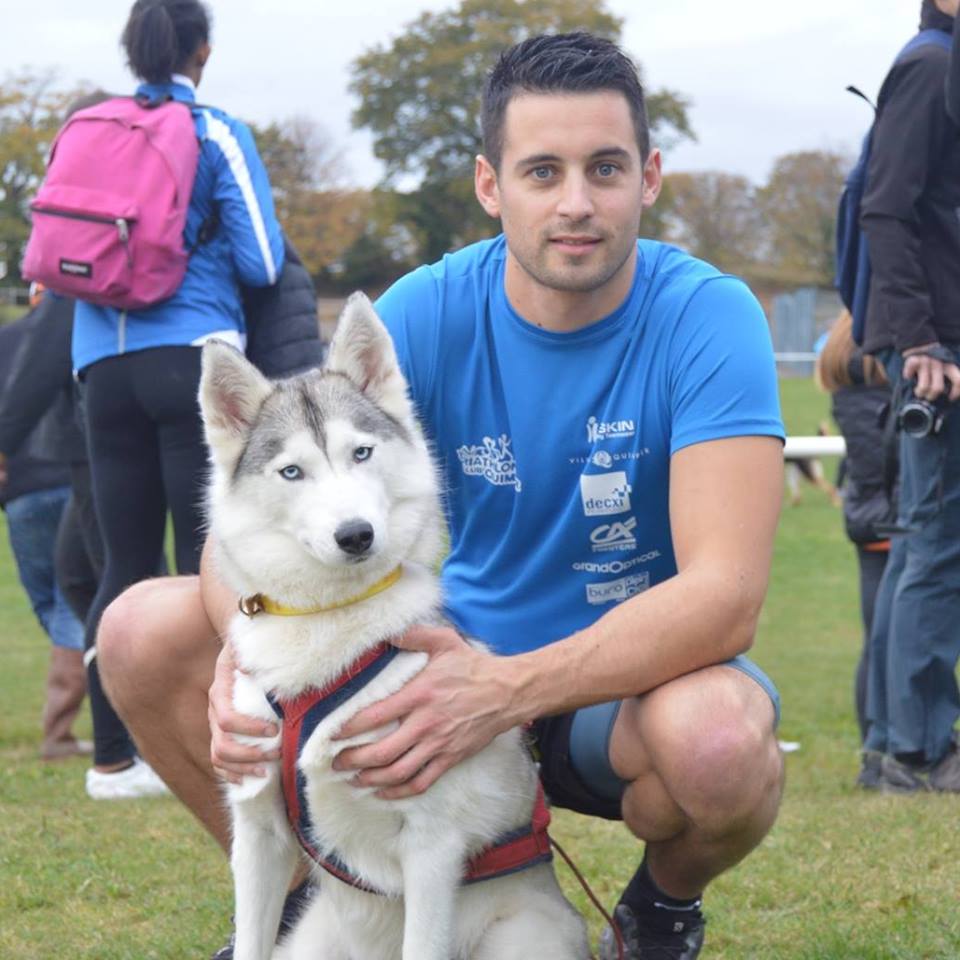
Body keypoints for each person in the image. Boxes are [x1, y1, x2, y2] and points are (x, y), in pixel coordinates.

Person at [97, 32, 785, 960]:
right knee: (139, 628)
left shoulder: (710, 315)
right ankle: (323, 901)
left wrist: (504, 689)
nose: (576, 203)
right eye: (542, 171)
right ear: (490, 186)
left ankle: (660, 907)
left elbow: (726, 595)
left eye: (606, 168)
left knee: (721, 743)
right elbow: (266, 498)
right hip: (415, 661)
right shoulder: (419, 310)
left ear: (651, 176)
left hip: (613, 690)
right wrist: (240, 652)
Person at [72, 0, 285, 799]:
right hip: (190, 357)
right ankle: (227, 730)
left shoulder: (93, 125)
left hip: (99, 362)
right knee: (218, 553)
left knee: (124, 561)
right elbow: (262, 259)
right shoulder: (214, 129)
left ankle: (113, 760)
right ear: (202, 49)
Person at [860, 0, 960, 793]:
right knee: (938, 545)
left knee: (922, 541)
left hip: (933, 340)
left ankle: (892, 741)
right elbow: (886, 208)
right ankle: (918, 754)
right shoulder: (932, 63)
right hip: (937, 348)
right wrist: (920, 340)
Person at [0, 311, 89, 761]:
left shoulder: (5, 340)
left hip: (18, 488)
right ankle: (60, 728)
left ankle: (61, 723)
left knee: (54, 603)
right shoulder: (77, 327)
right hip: (70, 476)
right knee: (67, 604)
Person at [814, 311, 896, 788]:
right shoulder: (884, 356)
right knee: (895, 641)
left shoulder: (843, 354)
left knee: (877, 641)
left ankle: (874, 753)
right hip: (898, 515)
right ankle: (892, 750)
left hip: (868, 514)